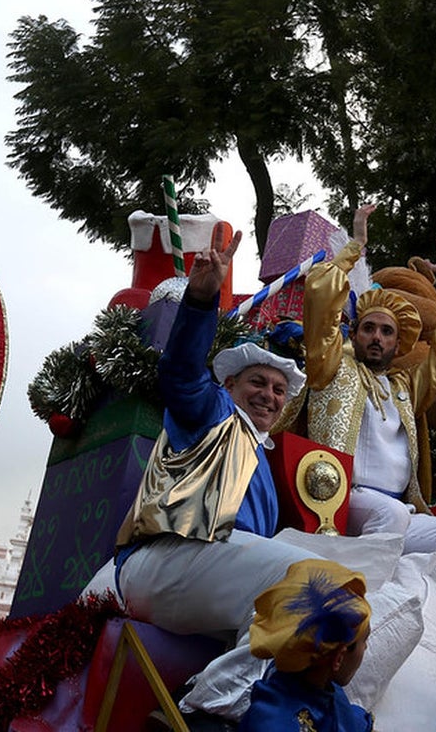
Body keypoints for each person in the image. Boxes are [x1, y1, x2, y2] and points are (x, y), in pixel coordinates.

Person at [98, 227, 317, 637]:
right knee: (310, 584)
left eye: (278, 390)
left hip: (211, 574)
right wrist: (200, 300)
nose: (268, 395)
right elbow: (180, 373)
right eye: (257, 382)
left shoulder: (260, 457)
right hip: (166, 559)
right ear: (229, 385)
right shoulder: (214, 410)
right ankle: (229, 699)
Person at [298, 204, 436, 641]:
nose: (377, 338)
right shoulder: (332, 366)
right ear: (355, 332)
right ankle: (361, 632)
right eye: (369, 328)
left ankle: (431, 647)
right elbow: (321, 294)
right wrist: (355, 248)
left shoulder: (407, 386)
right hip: (341, 502)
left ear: (397, 341)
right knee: (388, 514)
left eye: (387, 332)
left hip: (399, 513)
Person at [238, 559, 374, 731]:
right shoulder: (273, 722)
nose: (366, 648)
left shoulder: (317, 687)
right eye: (365, 641)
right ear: (339, 657)